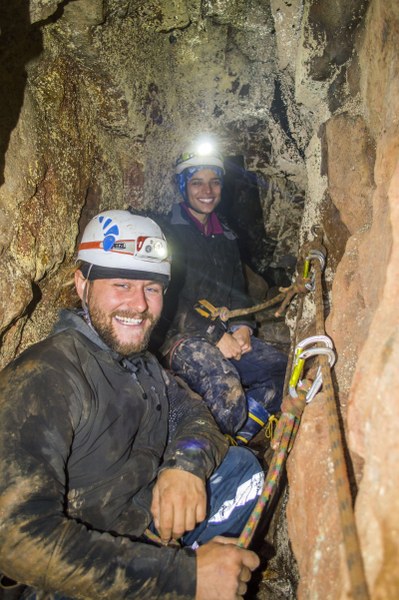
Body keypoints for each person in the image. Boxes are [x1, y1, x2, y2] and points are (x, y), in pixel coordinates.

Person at [0, 210, 263, 600]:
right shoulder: (46, 377)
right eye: (121, 284)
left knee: (244, 471)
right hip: (71, 573)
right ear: (81, 284)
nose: (139, 305)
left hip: (143, 521)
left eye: (152, 289)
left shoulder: (139, 362)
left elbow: (195, 417)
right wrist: (182, 577)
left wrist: (184, 467)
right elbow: (15, 539)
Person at [153, 144, 288, 445]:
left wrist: (242, 328)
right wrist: (215, 335)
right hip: (177, 337)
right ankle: (197, 455)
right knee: (226, 389)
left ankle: (235, 440)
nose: (207, 190)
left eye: (214, 181)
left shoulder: (225, 235)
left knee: (282, 370)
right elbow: (167, 299)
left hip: (222, 331)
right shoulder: (165, 233)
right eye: (197, 182)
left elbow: (237, 291)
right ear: (183, 185)